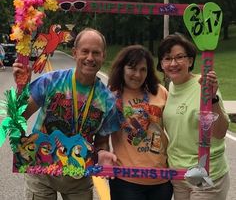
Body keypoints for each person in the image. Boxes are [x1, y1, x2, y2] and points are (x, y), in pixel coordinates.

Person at [12, 28, 119, 200]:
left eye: (96, 53)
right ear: (74, 53)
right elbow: (20, 116)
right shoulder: (51, 81)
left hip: (78, 176)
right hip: (42, 172)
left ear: (103, 56)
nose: (90, 58)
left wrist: (102, 153)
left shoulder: (108, 101)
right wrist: (21, 89)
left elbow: (101, 142)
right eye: (85, 51)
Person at [156, 33, 230, 200]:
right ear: (161, 64)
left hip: (205, 173)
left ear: (190, 61)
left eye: (179, 57)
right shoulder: (170, 89)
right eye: (167, 58)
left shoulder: (203, 85)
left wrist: (212, 99)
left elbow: (220, 132)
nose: (173, 63)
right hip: (179, 174)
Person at [107, 45, 173, 200]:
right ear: (122, 68)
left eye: (143, 69)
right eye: (132, 68)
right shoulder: (110, 95)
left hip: (161, 179)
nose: (137, 74)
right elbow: (100, 132)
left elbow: (175, 127)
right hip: (125, 180)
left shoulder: (160, 92)